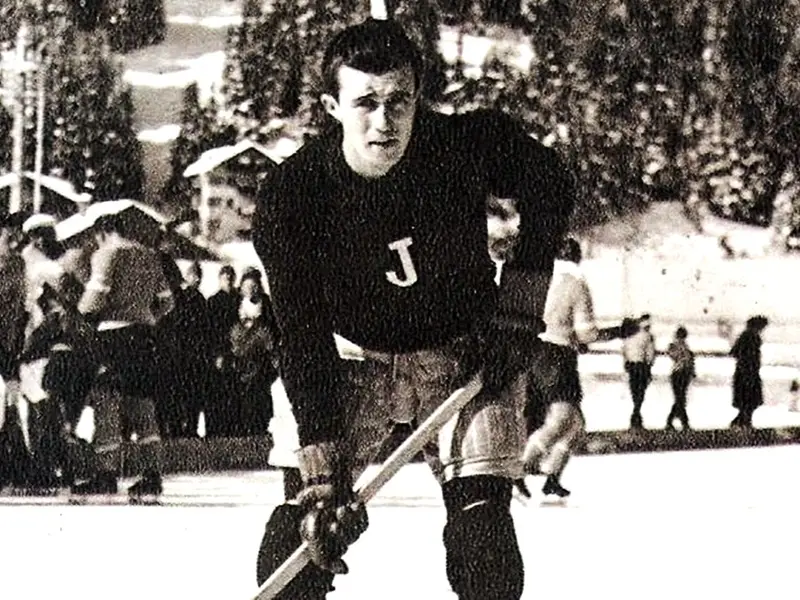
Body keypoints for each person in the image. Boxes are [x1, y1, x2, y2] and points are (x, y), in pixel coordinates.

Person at [251, 19, 575, 600]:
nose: (385, 120)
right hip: (351, 361)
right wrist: (323, 462)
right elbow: (300, 333)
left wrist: (521, 306)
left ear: (418, 97)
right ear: (332, 105)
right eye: (366, 102)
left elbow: (551, 182)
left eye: (399, 100)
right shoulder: (291, 194)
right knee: (302, 539)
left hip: (465, 358)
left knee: (485, 548)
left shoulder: (463, 144)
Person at [71, 214, 174, 502]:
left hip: (113, 336)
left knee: (107, 400)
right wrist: (146, 315)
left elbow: (95, 298)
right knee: (142, 403)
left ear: (104, 232)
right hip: (144, 335)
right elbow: (167, 300)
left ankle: (105, 474)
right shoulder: (149, 255)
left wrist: (78, 314)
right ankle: (152, 475)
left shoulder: (107, 253)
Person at [517, 237, 599, 500]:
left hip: (529, 350)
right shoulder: (575, 280)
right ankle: (520, 469)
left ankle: (552, 477)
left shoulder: (538, 276)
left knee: (575, 422)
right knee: (564, 419)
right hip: (557, 354)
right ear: (577, 256)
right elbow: (586, 331)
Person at [730, 315, 768, 429]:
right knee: (750, 401)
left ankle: (741, 422)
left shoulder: (745, 336)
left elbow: (734, 352)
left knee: (748, 401)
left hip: (744, 373)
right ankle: (743, 422)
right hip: (748, 374)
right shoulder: (751, 337)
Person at [623, 313, 656, 429]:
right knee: (641, 391)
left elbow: (625, 350)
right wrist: (650, 366)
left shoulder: (629, 335)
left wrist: (626, 362)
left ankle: (636, 415)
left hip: (631, 365)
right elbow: (650, 354)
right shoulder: (648, 336)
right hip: (642, 365)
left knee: (634, 389)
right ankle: (636, 414)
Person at [666, 325, 695, 430]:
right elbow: (681, 359)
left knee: (680, 398)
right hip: (680, 373)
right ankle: (683, 422)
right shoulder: (678, 346)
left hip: (679, 373)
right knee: (680, 398)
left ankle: (673, 421)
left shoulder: (679, 346)